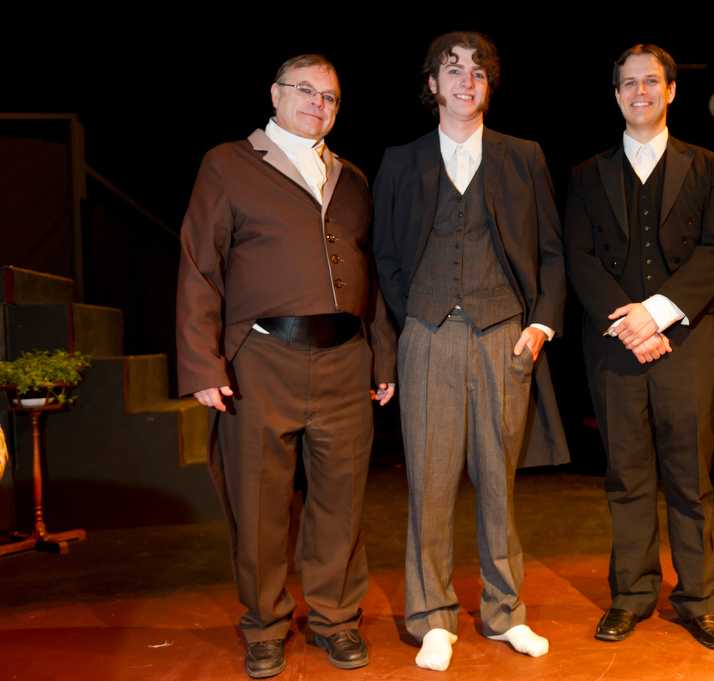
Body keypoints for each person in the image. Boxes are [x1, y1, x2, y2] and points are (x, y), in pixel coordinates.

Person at [176, 54, 395, 677]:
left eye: (330, 96)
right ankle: (266, 625)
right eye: (305, 91)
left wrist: (382, 354)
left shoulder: (351, 178)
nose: (318, 104)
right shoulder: (227, 165)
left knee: (340, 501)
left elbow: (371, 274)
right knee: (260, 502)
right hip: (260, 360)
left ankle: (335, 619)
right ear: (275, 95)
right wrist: (203, 363)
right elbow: (199, 267)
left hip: (346, 361)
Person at [372, 31, 568, 672]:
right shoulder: (401, 160)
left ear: (489, 86)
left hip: (502, 335)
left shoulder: (522, 156)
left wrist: (540, 324)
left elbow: (549, 251)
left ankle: (505, 611)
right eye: (452, 69)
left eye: (478, 71)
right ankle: (431, 617)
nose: (466, 79)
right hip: (427, 335)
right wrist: (415, 320)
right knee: (428, 485)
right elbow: (387, 257)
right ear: (432, 85)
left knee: (497, 483)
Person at [564, 44, 714, 649]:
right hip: (615, 343)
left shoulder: (709, 167)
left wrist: (657, 315)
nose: (641, 92)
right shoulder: (587, 175)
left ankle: (699, 599)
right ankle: (632, 595)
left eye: (652, 82)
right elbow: (579, 257)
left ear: (671, 92)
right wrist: (629, 325)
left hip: (686, 339)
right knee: (627, 475)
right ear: (616, 95)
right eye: (629, 83)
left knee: (690, 477)